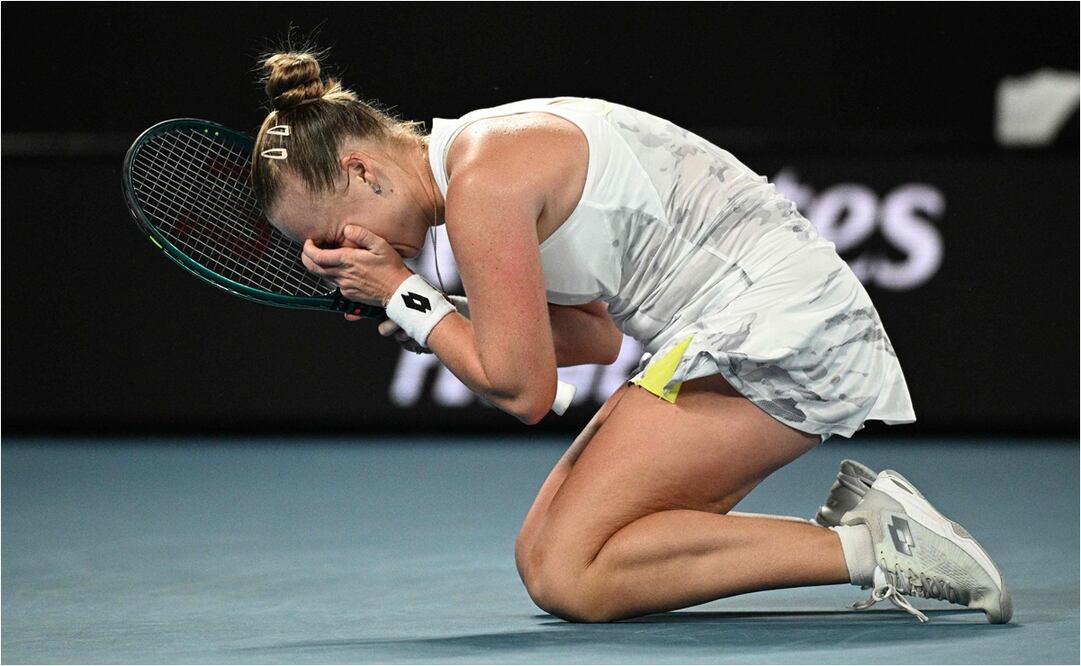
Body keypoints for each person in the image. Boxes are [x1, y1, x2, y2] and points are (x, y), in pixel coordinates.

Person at [252, 50, 1011, 624]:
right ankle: (870, 537)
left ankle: (886, 546)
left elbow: (525, 389)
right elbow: (589, 337)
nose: (339, 256)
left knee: (570, 573)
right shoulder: (475, 166)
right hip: (758, 321)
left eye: (333, 236)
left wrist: (409, 300)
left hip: (774, 326)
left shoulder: (483, 183)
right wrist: (430, 305)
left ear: (362, 169)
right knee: (551, 565)